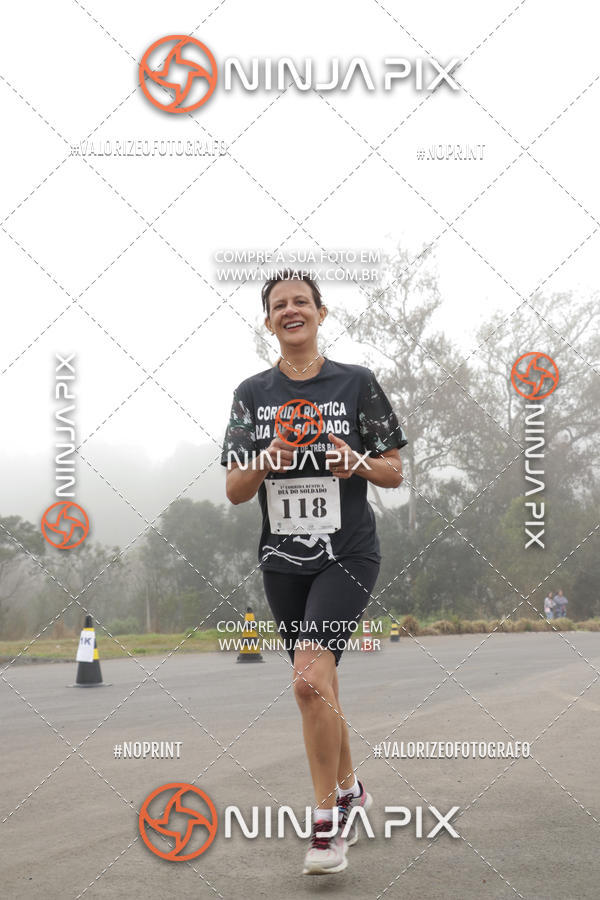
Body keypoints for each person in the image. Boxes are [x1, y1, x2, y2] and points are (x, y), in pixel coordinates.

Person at [221, 270, 408, 875]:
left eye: (302, 301)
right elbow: (233, 489)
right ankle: (351, 789)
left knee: (305, 683)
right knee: (320, 684)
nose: (291, 310)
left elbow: (394, 471)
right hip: (283, 561)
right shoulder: (252, 393)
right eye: (280, 305)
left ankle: (327, 827)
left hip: (348, 552)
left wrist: (356, 461)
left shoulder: (356, 383)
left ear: (321, 314)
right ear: (268, 321)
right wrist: (264, 460)